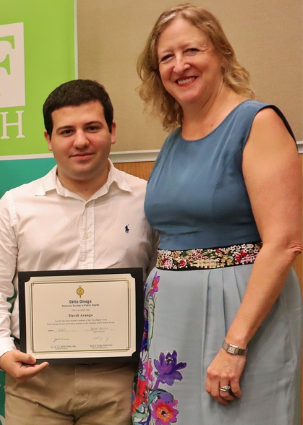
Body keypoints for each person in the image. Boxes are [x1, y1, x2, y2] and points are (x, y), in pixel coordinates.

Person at [131, 5, 302, 424]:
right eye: (166, 57)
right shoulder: (173, 141)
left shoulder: (257, 122)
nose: (179, 65)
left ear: (221, 53)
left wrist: (235, 345)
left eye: (192, 50)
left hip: (240, 320)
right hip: (171, 320)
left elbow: (284, 242)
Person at [0, 79, 155, 425]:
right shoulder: (15, 206)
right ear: (49, 139)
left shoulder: (148, 201)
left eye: (92, 127)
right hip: (35, 382)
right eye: (66, 131)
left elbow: (162, 286)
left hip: (118, 381)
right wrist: (1, 351)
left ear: (112, 131)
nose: (80, 141)